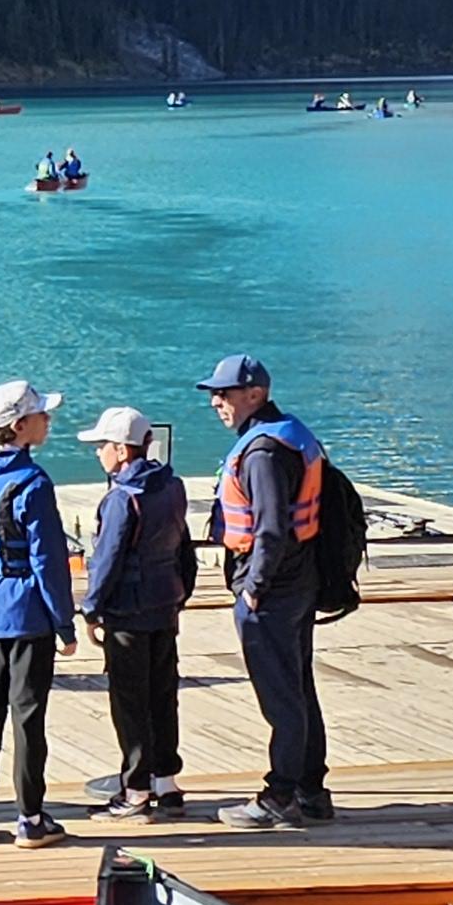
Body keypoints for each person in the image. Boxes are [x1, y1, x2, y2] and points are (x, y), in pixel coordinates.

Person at [201, 353, 332, 828]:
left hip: (272, 587)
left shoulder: (262, 453)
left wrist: (253, 587)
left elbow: (272, 527)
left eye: (226, 393)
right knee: (298, 688)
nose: (217, 401)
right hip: (299, 580)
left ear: (255, 394)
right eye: (214, 393)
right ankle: (311, 790)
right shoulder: (287, 433)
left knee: (281, 696)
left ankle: (280, 796)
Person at [0, 377, 77, 845]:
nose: (49, 419)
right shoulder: (33, 481)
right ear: (20, 426)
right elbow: (48, 560)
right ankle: (30, 818)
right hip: (26, 617)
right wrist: (64, 622)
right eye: (43, 414)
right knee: (28, 718)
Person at [77, 406, 195, 818]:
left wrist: (91, 610)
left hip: (128, 612)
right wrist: (182, 593)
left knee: (129, 701)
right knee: (163, 694)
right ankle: (167, 780)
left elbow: (107, 560)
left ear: (122, 452)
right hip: (165, 605)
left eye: (102, 446)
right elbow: (185, 546)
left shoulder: (121, 499)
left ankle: (136, 790)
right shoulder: (173, 486)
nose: (98, 454)